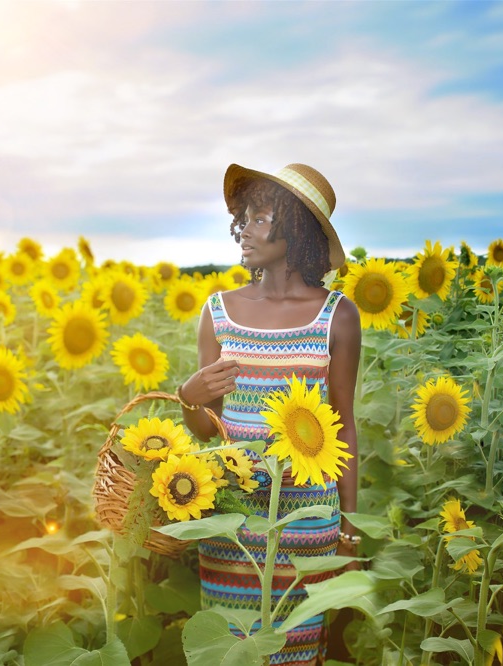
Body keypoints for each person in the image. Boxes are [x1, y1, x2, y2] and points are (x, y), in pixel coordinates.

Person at [176, 163, 361, 664]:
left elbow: (342, 424)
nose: (246, 232)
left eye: (262, 220)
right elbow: (205, 428)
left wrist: (349, 526)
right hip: (233, 520)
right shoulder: (218, 310)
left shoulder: (337, 314)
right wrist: (189, 397)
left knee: (297, 646)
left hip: (306, 516)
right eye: (246, 219)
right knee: (231, 648)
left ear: (296, 228)